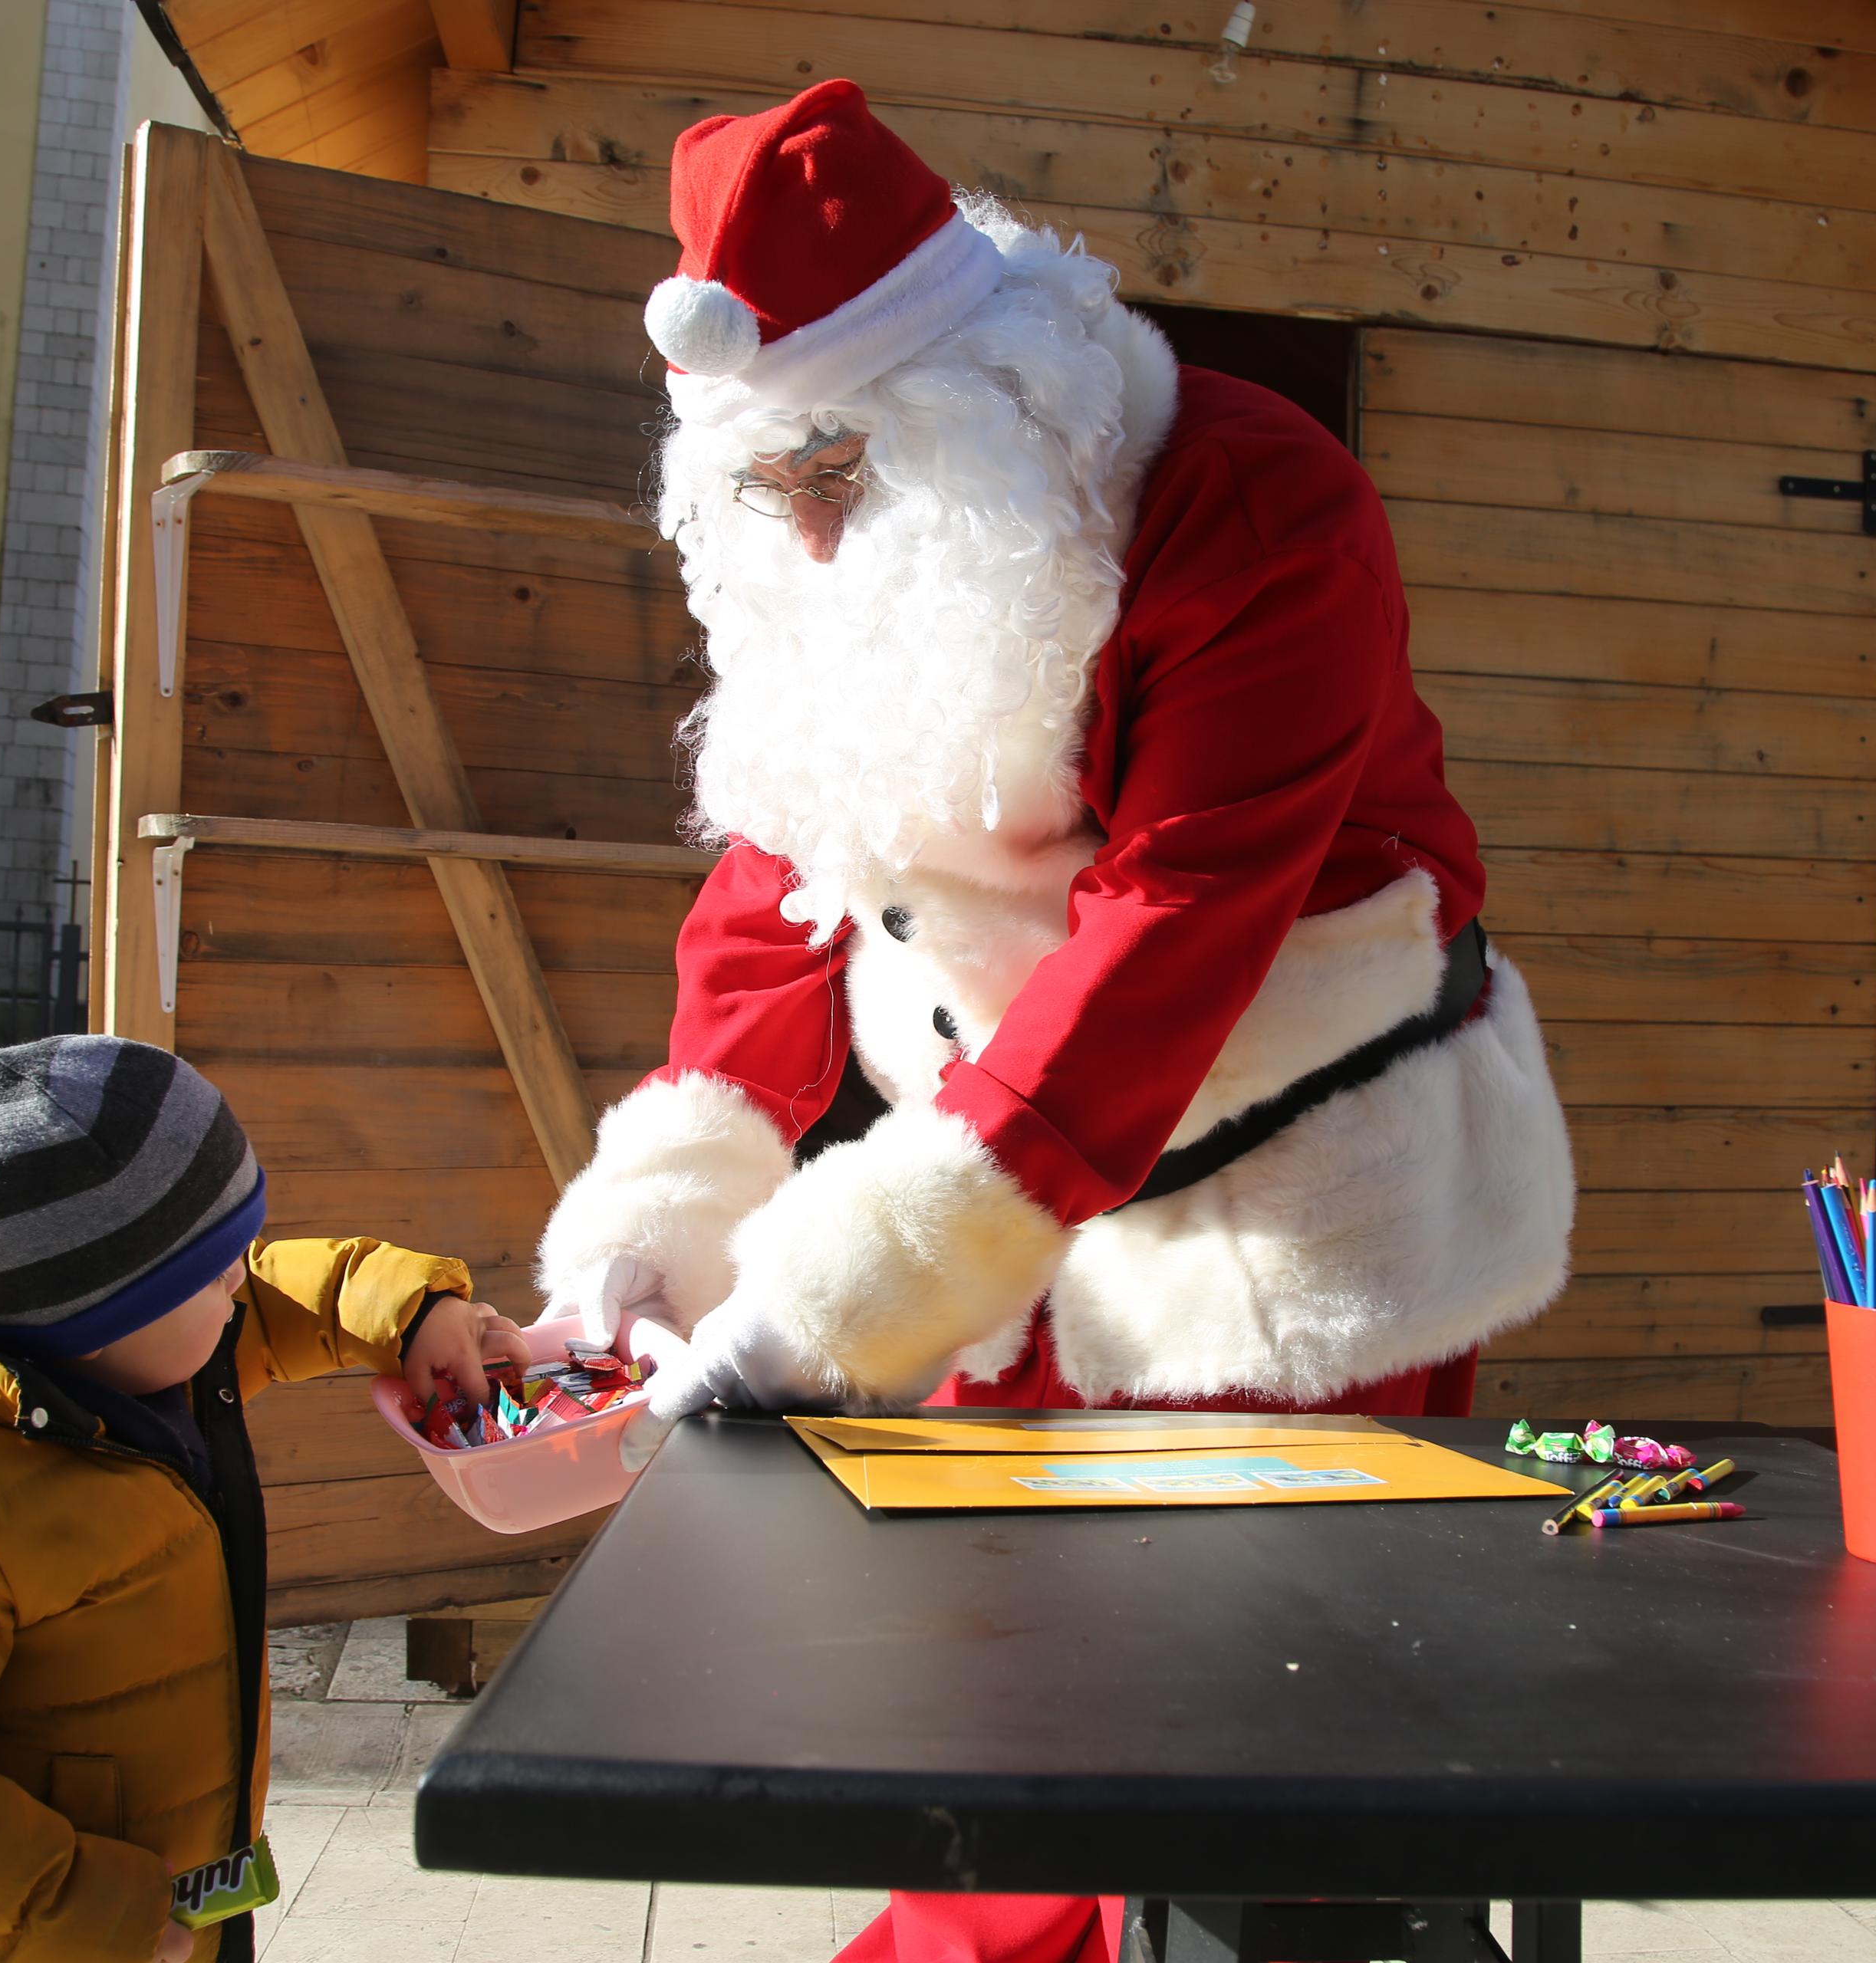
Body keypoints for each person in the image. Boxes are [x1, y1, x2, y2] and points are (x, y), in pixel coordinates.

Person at [536, 79, 1578, 1963]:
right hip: (1009, 1172)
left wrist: (833, 1293)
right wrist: (678, 1210)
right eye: (771, 489)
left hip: (1304, 1173)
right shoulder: (836, 528)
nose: (812, 531)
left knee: (1260, 1738)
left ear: (980, 388)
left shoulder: (1262, 508)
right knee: (1000, 1680)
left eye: (836, 473)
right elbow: (785, 872)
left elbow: (1164, 937)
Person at [0, 1036, 526, 1963]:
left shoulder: (134, 1350)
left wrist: (411, 1310)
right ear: (95, 1319)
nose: (242, 1279)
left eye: (237, 1248)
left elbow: (280, 1289)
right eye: (216, 1270)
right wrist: (89, 1913)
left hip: (166, 1903)